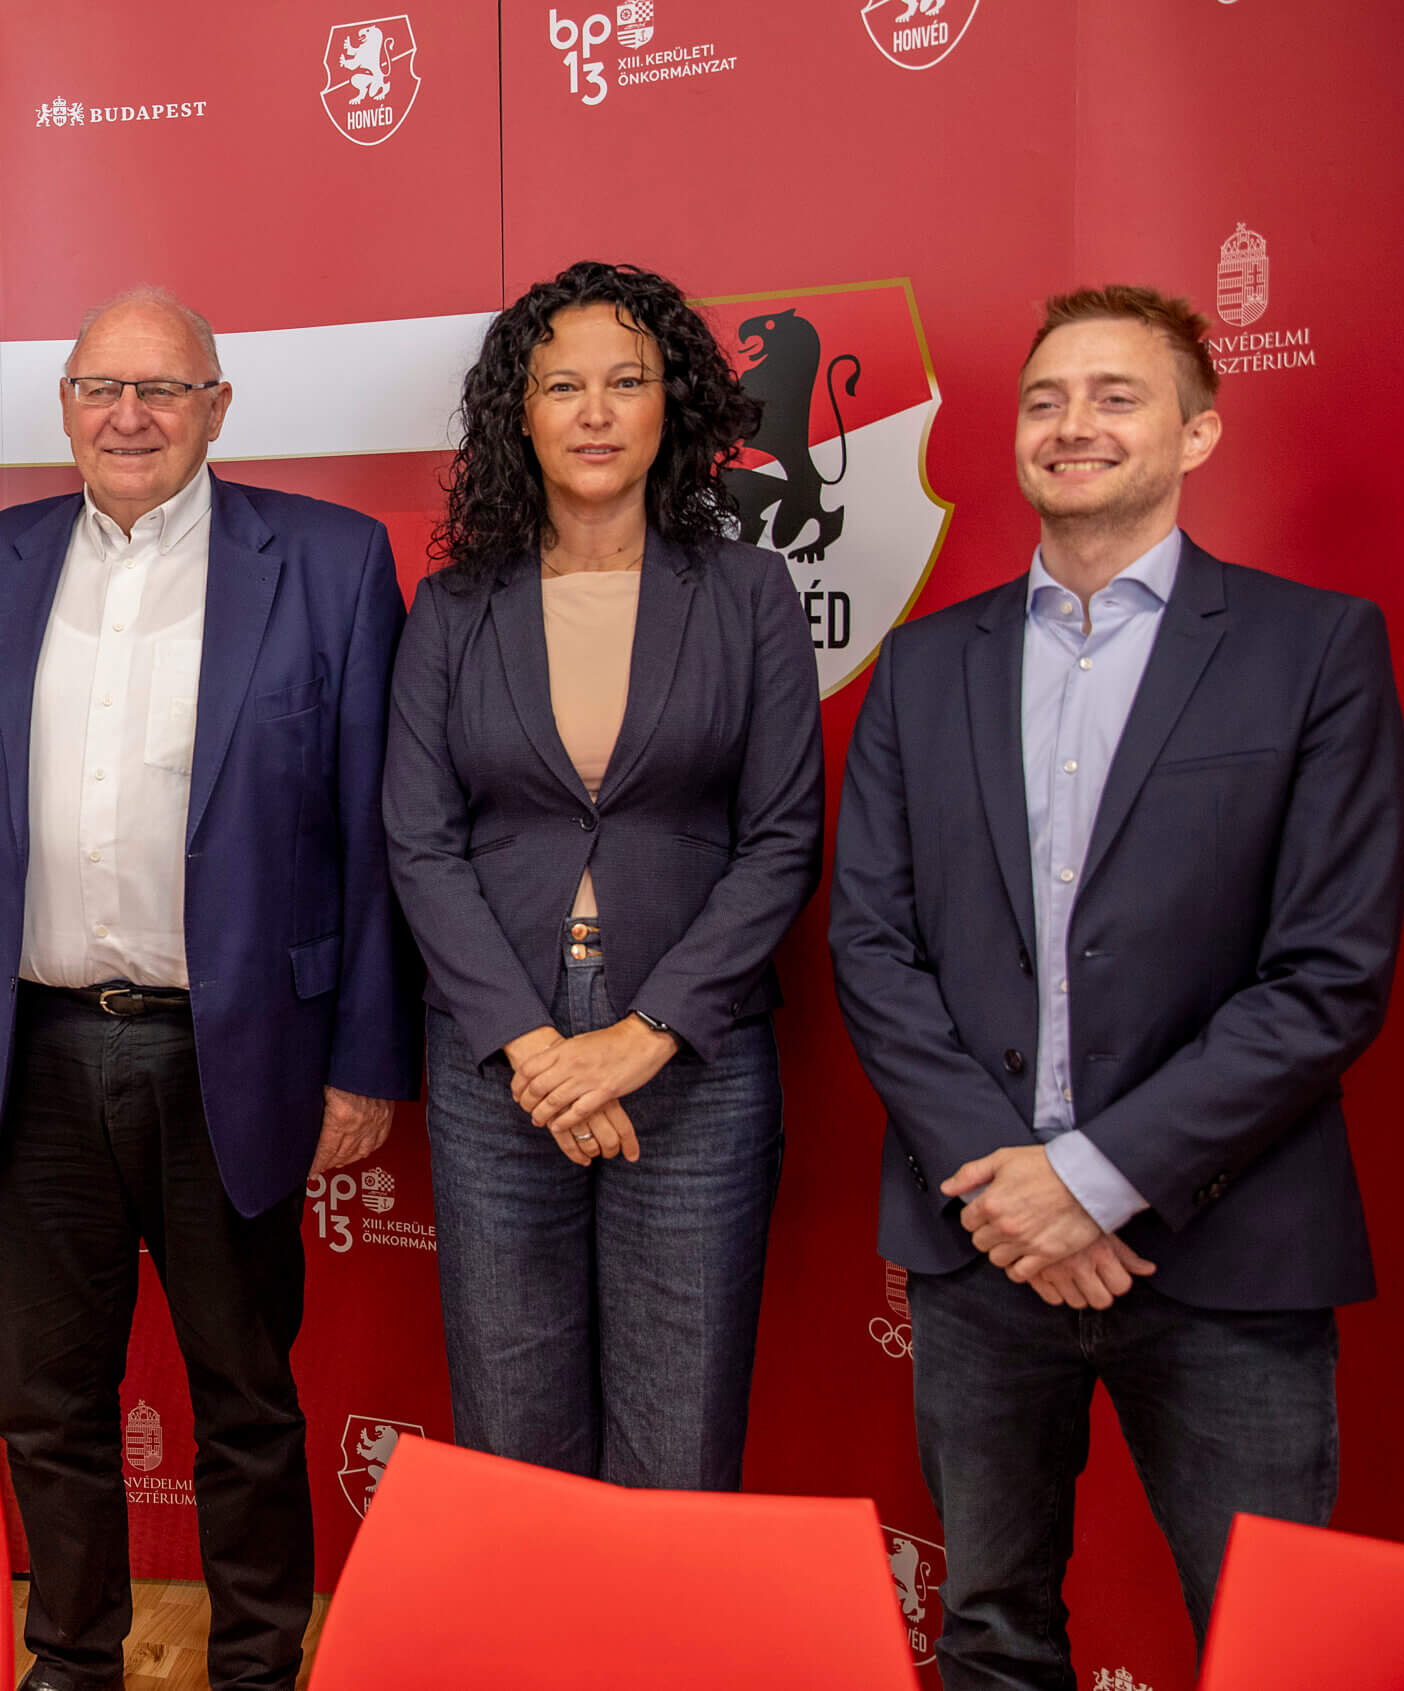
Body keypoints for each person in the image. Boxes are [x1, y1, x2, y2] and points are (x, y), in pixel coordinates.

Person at [830, 285, 1404, 1690]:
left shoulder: (1314, 648)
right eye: (1045, 398)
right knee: (989, 1640)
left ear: (1198, 431)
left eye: (1115, 395)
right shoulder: (926, 664)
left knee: (1277, 1653)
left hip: (1226, 1249)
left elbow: (1327, 974)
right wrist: (1012, 1188)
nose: (1071, 423)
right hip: (984, 1250)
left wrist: (1091, 1182)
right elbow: (874, 946)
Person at [0, 288, 414, 1691]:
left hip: (236, 1051)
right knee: (47, 1394)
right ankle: (73, 1658)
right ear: (65, 404)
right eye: (101, 388)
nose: (130, 415)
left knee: (245, 1394)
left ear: (217, 407)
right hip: (34, 1048)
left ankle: (254, 1666)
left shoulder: (329, 562)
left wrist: (364, 1062)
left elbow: (379, 835)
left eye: (164, 389)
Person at [382, 259, 823, 1486]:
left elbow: (782, 836)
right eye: (560, 384)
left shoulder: (747, 592)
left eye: (625, 381)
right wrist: (536, 1050)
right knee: (513, 1432)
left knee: (679, 1437)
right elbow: (418, 840)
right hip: (497, 1057)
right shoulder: (452, 607)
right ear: (517, 414)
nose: (592, 412)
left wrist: (643, 1036)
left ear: (671, 404)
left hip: (692, 1056)